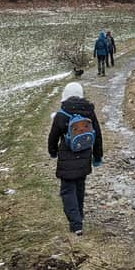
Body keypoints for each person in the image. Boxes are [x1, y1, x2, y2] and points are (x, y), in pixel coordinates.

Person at [48, 82, 103, 235]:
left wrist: (53, 152)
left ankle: (75, 224)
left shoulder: (61, 114)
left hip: (66, 157)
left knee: (67, 190)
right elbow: (97, 135)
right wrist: (97, 157)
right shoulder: (89, 113)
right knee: (79, 186)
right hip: (85, 154)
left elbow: (53, 137)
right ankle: (79, 215)